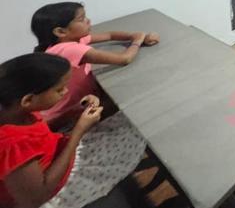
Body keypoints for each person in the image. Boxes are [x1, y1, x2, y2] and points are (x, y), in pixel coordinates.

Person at [0, 53, 145, 208]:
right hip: (52, 191)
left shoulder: (17, 113)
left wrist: (74, 112)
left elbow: (38, 133)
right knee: (131, 136)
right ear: (28, 100)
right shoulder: (12, 144)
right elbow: (35, 199)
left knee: (124, 123)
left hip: (58, 154)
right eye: (59, 90)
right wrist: (78, 131)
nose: (65, 91)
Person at [31, 2, 159, 125]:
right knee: (131, 101)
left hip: (79, 100)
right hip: (65, 113)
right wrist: (137, 41)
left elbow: (109, 35)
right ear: (60, 31)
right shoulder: (70, 49)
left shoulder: (69, 41)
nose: (88, 20)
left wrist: (133, 36)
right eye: (81, 19)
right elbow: (124, 59)